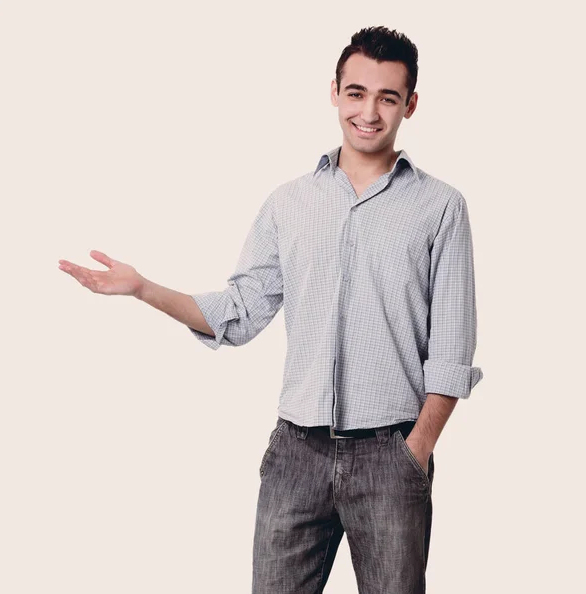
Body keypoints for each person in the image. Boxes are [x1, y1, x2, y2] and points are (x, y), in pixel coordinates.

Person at [59, 25, 483, 594]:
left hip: (392, 455)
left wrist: (417, 451)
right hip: (295, 456)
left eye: (387, 97)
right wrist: (143, 289)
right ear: (334, 91)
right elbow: (237, 313)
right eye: (356, 93)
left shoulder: (441, 208)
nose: (369, 112)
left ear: (410, 104)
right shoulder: (290, 203)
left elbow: (452, 348)